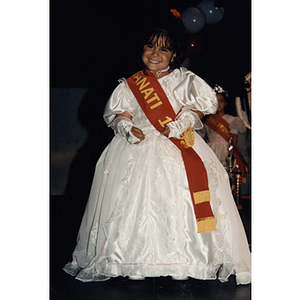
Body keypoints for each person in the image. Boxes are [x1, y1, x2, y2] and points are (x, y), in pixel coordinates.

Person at [63, 10, 251, 285]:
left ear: (174, 54)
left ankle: (183, 258)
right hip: (137, 148)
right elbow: (118, 113)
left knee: (177, 202)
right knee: (134, 204)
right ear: (142, 47)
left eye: (164, 49)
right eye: (150, 45)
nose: (155, 53)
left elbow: (204, 105)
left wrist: (184, 120)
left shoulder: (184, 79)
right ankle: (135, 258)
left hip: (177, 147)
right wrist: (125, 127)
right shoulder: (130, 84)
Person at [199, 87, 247, 182]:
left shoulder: (232, 120)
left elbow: (234, 137)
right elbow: (203, 136)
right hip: (211, 148)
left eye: (221, 101)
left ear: (225, 103)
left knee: (224, 174)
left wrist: (232, 151)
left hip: (225, 149)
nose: (218, 104)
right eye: (215, 101)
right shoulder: (207, 120)